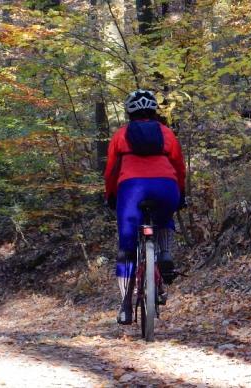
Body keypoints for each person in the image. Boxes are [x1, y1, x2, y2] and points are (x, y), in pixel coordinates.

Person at [104, 89, 187, 325]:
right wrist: (180, 195)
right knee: (163, 220)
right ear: (154, 111)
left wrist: (111, 196)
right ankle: (165, 252)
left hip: (132, 189)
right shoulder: (167, 133)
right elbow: (179, 168)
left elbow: (111, 172)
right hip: (166, 187)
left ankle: (125, 306)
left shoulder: (121, 134)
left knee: (127, 248)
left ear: (129, 113)